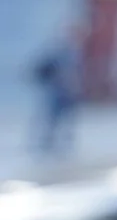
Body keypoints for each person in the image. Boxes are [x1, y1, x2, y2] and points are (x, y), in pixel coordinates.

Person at [30, 25, 84, 155]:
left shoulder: (76, 53)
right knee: (52, 119)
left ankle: (61, 145)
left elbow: (77, 73)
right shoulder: (60, 52)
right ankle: (46, 144)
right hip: (57, 92)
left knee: (65, 120)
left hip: (68, 94)